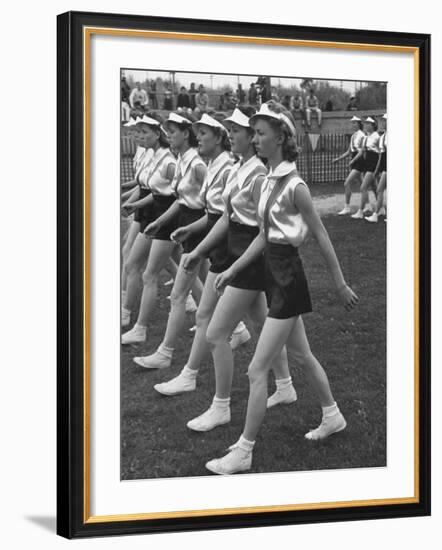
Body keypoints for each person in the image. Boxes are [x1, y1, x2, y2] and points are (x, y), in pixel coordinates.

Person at [203, 102, 358, 475]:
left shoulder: (295, 186)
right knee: (302, 356)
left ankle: (244, 450)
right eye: (253, 132)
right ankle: (332, 415)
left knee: (257, 369)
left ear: (281, 137)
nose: (255, 139)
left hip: (288, 279)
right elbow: (262, 235)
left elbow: (320, 236)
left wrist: (339, 283)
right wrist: (233, 269)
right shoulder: (268, 180)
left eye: (260, 133)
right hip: (272, 274)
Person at [173, 106, 297, 427]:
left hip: (248, 259)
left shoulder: (257, 173)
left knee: (215, 333)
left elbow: (262, 229)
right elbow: (227, 217)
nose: (236, 135)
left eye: (241, 130)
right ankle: (285, 386)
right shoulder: (240, 168)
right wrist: (198, 245)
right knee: (258, 323)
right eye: (239, 130)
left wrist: (232, 264)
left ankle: (222, 406)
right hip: (238, 254)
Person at [148, 111, 252, 380]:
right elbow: (215, 212)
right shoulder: (215, 164)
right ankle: (242, 336)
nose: (198, 138)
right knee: (253, 315)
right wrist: (189, 230)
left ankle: (176, 362)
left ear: (218, 138)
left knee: (193, 304)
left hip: (227, 243)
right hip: (213, 236)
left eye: (203, 133)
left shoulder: (223, 167)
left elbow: (226, 215)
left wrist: (198, 245)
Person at [131, 112, 212, 365]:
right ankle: (237, 329)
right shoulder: (182, 160)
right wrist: (161, 221)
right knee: (205, 284)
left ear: (185, 133)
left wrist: (200, 229)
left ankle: (165, 353)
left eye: (172, 132)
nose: (168, 137)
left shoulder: (197, 165)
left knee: (179, 294)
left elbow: (213, 204)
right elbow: (180, 199)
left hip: (197, 227)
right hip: (186, 225)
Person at [121, 114, 179, 343]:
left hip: (163, 216)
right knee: (140, 263)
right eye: (137, 132)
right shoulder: (154, 155)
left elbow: (178, 194)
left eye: (144, 132)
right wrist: (132, 202)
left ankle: (134, 321)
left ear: (158, 133)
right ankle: (129, 316)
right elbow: (150, 189)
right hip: (152, 214)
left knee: (148, 269)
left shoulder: (168, 160)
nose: (138, 136)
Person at [331, 116, 366, 215]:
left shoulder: (361, 135)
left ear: (359, 124)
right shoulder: (353, 135)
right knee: (363, 184)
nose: (352, 124)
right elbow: (349, 151)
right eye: (352, 123)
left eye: (354, 123)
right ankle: (367, 205)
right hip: (355, 160)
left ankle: (347, 207)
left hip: (359, 161)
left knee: (347, 183)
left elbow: (361, 152)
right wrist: (338, 159)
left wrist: (353, 160)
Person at [351, 116, 381, 219]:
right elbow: (362, 151)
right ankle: (381, 208)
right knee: (374, 187)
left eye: (368, 124)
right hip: (368, 164)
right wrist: (353, 160)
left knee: (363, 187)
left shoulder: (377, 137)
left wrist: (378, 168)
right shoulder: (367, 137)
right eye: (366, 124)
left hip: (373, 165)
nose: (366, 125)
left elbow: (381, 153)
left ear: (373, 125)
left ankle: (360, 212)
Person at [366, 114, 387, 223]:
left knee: (379, 189)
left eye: (386, 120)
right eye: (383, 120)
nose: (384, 122)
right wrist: (377, 170)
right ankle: (379, 212)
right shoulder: (383, 136)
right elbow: (380, 156)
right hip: (384, 167)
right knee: (379, 189)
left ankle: (376, 214)